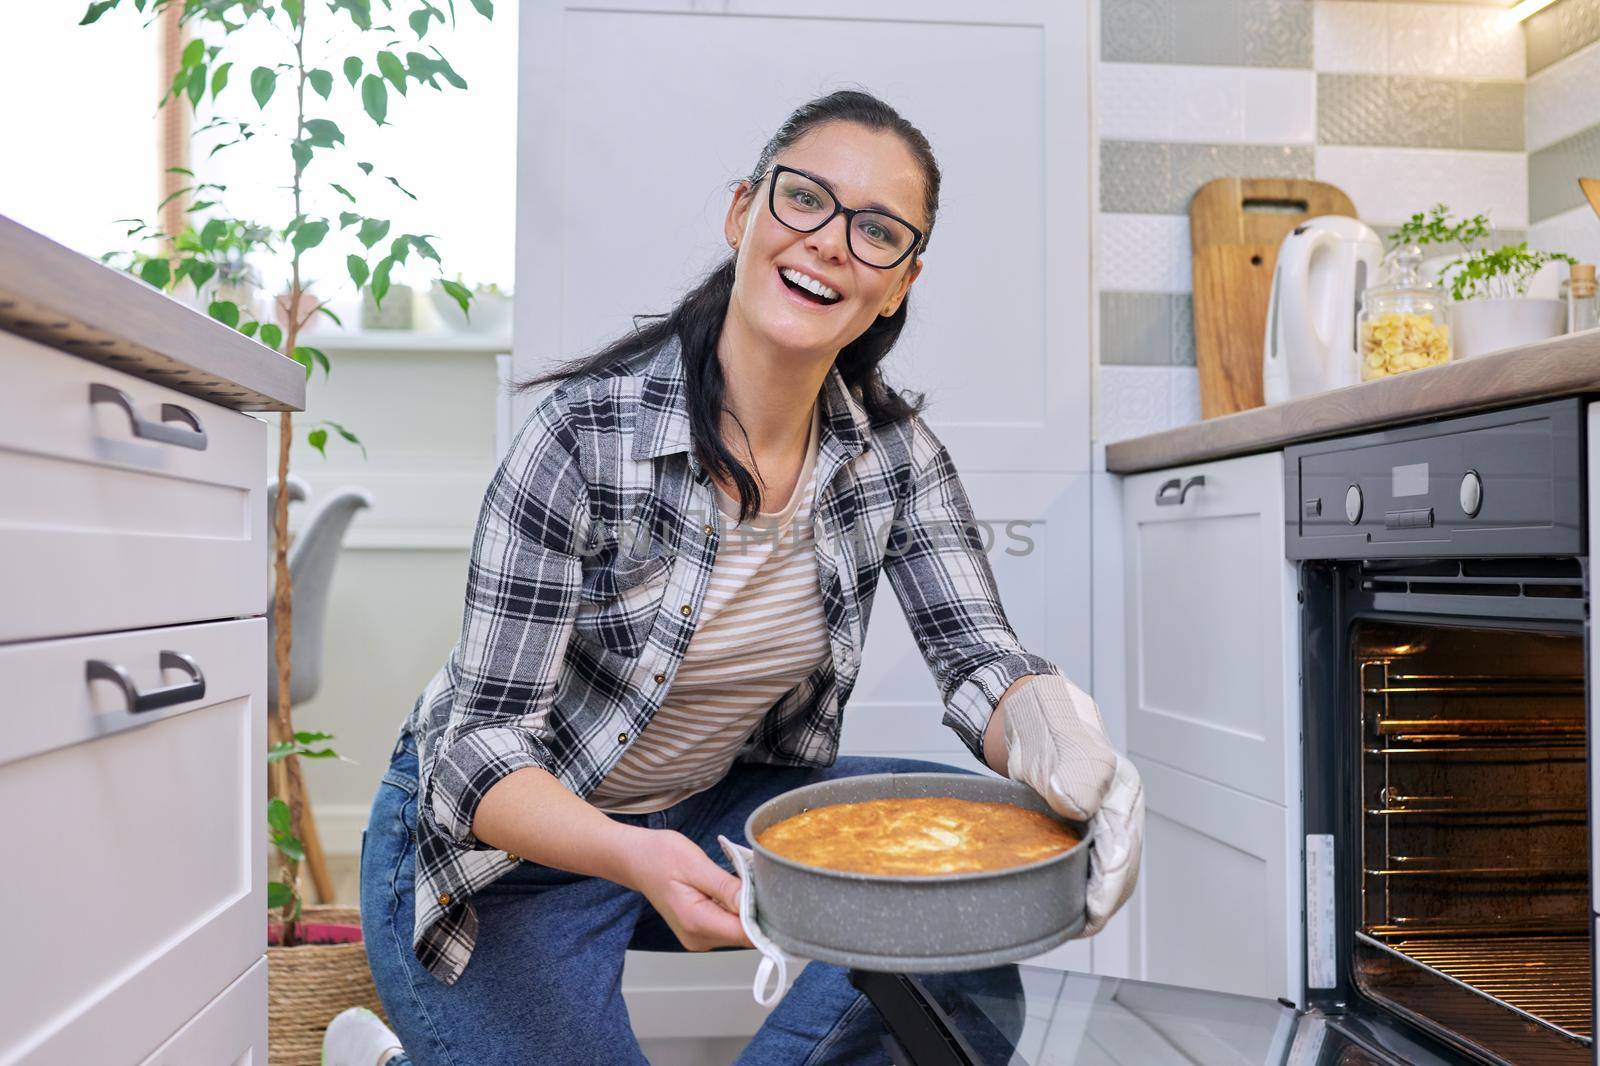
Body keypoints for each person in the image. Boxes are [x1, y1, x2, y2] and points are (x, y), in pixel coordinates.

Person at [347, 88, 1144, 1066]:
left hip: (702, 809)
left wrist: (1067, 750)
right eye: (804, 199)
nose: (830, 242)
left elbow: (977, 654)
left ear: (899, 281)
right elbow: (476, 752)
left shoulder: (893, 458)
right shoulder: (584, 438)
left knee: (984, 867)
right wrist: (632, 854)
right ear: (744, 212)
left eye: (878, 231)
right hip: (506, 850)